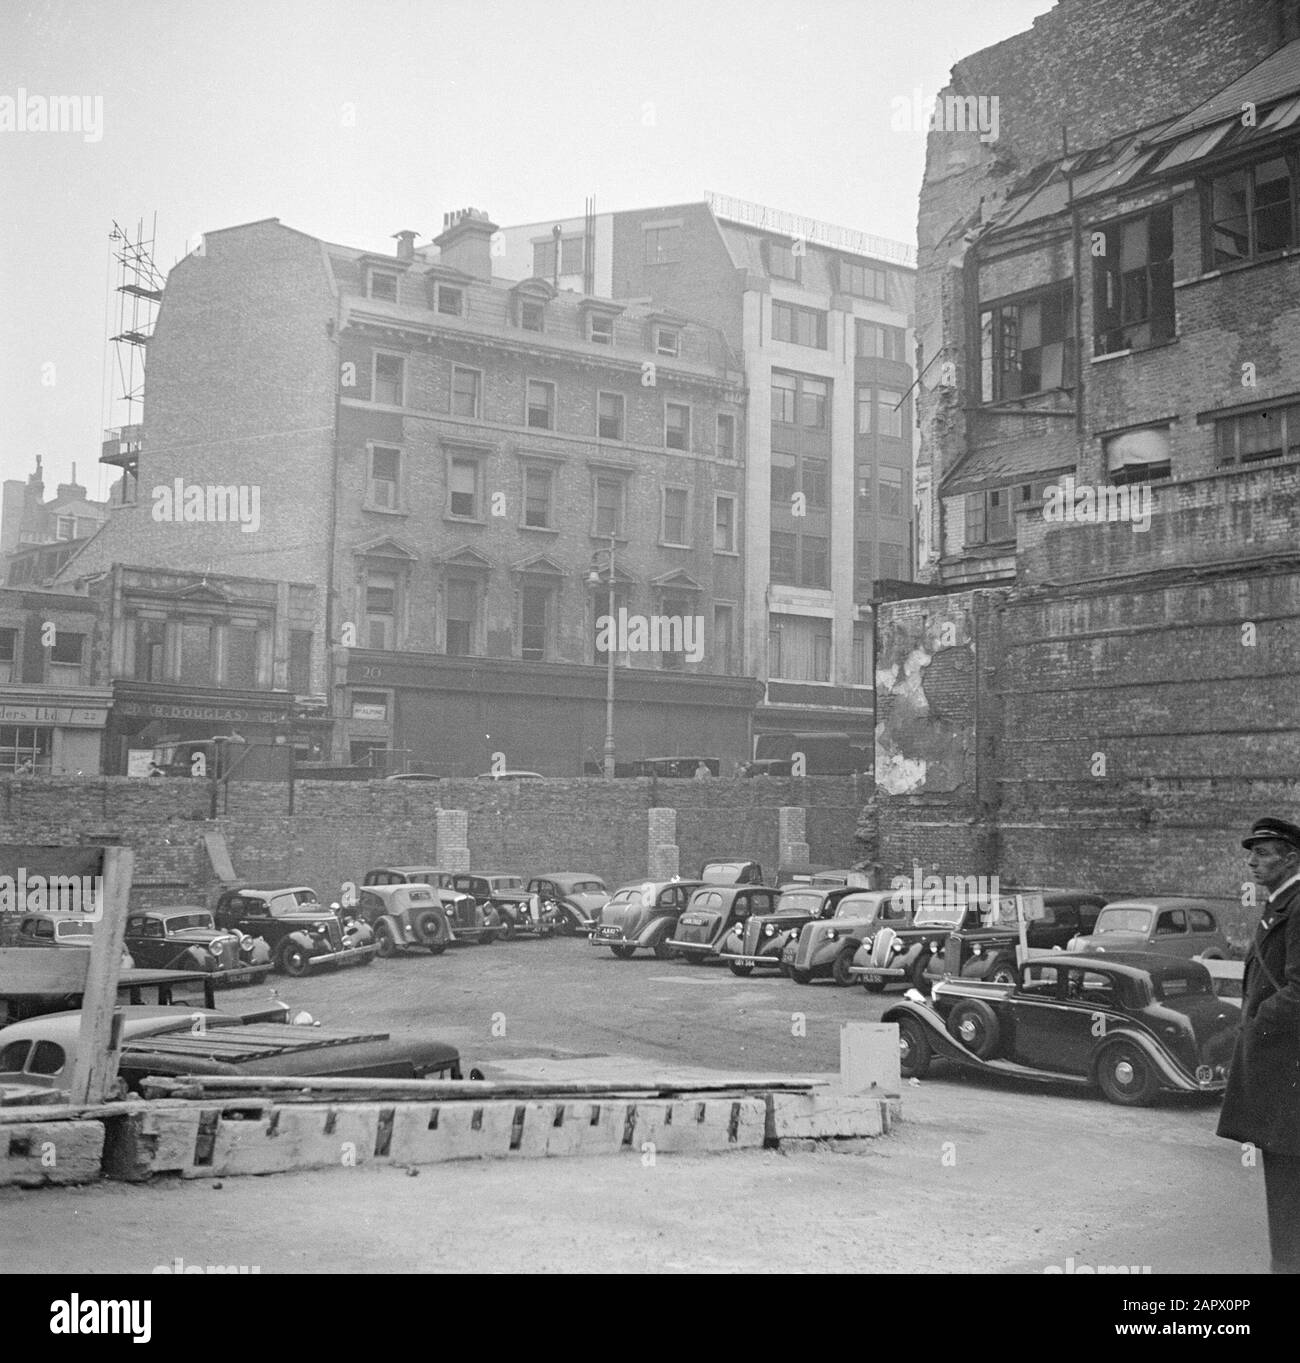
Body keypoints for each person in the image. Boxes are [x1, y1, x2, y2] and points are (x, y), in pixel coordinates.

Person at [1217, 815, 1300, 1273]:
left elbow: (1298, 991)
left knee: (1287, 1193)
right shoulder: (1281, 904)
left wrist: (1255, 1027)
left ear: (1291, 857)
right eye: (1252, 851)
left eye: (1263, 852)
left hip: (1289, 1073)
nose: (1251, 861)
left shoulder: (1297, 906)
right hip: (1285, 1073)